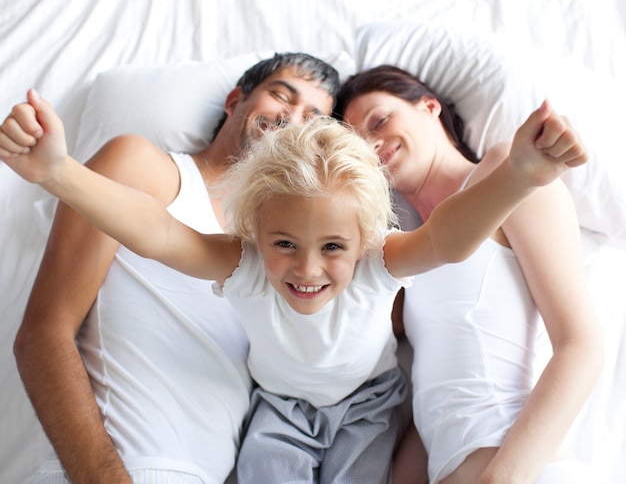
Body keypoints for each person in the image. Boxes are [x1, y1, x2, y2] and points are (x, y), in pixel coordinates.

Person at [1, 88, 587, 484]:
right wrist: (60, 173)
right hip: (279, 410)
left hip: (370, 409)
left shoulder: (377, 259)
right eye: (285, 244)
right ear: (255, 230)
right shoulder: (243, 261)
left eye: (332, 248)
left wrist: (517, 176)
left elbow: (449, 239)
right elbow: (155, 229)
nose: (307, 270)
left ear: (362, 238)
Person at [9, 53, 341, 484]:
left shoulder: (283, 250)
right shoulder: (145, 167)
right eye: (281, 95)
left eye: (312, 118)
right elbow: (42, 335)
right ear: (235, 100)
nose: (291, 118)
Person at [334, 65, 604, 484]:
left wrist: (500, 480)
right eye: (358, 144)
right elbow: (436, 394)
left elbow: (581, 344)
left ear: (429, 107)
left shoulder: (506, 170)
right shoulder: (407, 251)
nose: (373, 144)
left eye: (380, 121)